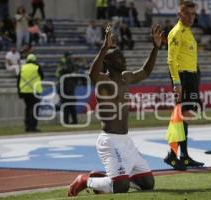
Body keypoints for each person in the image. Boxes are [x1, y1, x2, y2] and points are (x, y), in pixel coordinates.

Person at [67, 24, 163, 196]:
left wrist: (155, 48)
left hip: (126, 141)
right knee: (121, 187)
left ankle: (108, 179)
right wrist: (104, 48)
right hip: (110, 141)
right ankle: (85, 180)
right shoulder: (104, 81)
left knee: (147, 183)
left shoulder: (126, 77)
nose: (123, 59)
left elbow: (146, 71)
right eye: (118, 56)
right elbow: (92, 76)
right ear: (108, 62)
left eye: (122, 56)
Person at [165, 1, 204, 169]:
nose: (191, 17)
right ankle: (173, 155)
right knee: (180, 118)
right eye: (187, 14)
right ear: (180, 14)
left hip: (191, 77)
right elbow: (171, 60)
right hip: (182, 78)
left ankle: (183, 155)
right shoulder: (176, 33)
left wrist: (197, 77)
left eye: (193, 14)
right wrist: (176, 83)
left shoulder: (188, 32)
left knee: (185, 117)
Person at [17, 54, 44, 132]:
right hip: (34, 91)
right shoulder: (37, 67)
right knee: (34, 109)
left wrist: (19, 92)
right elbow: (42, 76)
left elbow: (18, 80)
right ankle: (33, 127)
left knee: (28, 108)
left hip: (25, 91)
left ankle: (27, 126)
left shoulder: (22, 67)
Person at [58, 51, 78, 125]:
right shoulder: (72, 64)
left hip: (66, 87)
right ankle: (73, 121)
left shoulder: (67, 64)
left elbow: (62, 71)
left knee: (67, 105)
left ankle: (67, 121)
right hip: (69, 87)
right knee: (70, 105)